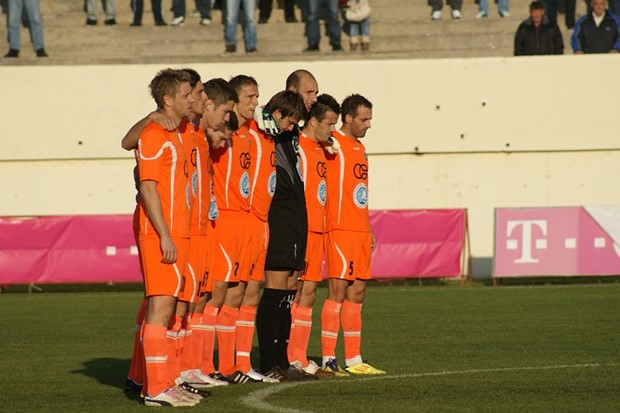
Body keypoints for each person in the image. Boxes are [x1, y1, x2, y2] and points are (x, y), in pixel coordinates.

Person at [135, 68, 200, 407]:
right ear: (167, 100)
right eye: (187, 94)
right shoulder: (154, 133)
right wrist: (163, 235)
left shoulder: (181, 131)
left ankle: (165, 381)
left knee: (170, 308)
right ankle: (155, 389)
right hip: (160, 232)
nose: (193, 98)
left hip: (180, 232)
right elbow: (148, 187)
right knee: (160, 308)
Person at [320, 94, 385, 376]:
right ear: (347, 118)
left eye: (370, 119)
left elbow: (361, 193)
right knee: (337, 290)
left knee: (358, 291)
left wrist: (368, 227)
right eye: (363, 119)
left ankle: (354, 359)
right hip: (338, 227)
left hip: (359, 229)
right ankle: (327, 359)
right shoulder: (333, 143)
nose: (368, 124)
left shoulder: (360, 148)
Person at [255, 70, 314, 379]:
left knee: (290, 288)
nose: (312, 99)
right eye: (309, 93)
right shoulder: (264, 126)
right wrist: (274, 114)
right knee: (276, 290)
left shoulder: (288, 131)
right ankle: (269, 362)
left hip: (296, 215)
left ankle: (283, 359)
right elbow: (258, 113)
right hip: (278, 213)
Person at [287, 94, 340, 378]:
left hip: (318, 230)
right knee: (296, 291)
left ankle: (299, 355)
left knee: (308, 294)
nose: (333, 130)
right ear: (315, 120)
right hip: (302, 229)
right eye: (330, 124)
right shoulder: (299, 148)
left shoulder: (322, 149)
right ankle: (290, 356)